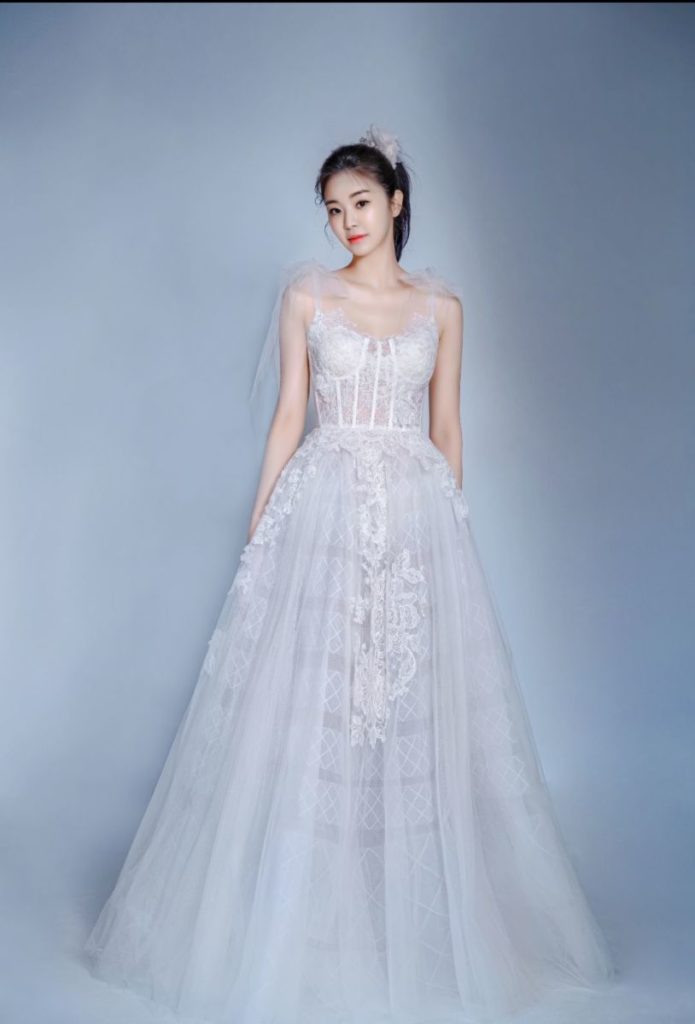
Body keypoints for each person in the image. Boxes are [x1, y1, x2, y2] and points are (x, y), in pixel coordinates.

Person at [83, 124, 617, 1024]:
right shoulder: (306, 295)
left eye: (360, 203)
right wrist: (261, 529)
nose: (347, 223)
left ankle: (409, 915)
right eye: (333, 211)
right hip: (322, 511)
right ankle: (302, 916)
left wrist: (445, 534)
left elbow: (446, 428)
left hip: (414, 520)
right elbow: (289, 416)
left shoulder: (442, 307)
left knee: (408, 706)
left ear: (396, 202)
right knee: (313, 706)